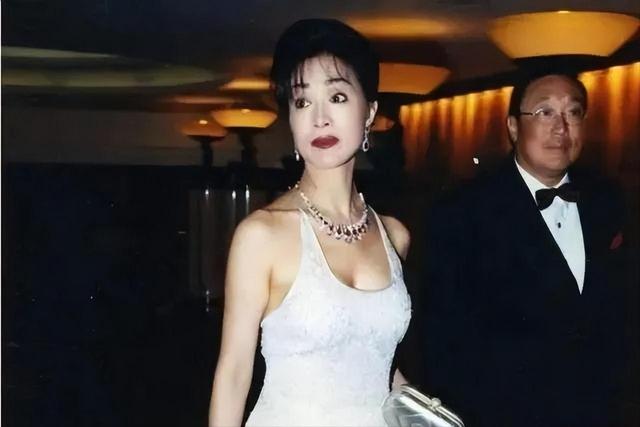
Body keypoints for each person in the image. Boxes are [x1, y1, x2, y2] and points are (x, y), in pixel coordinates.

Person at [209, 19, 411, 427]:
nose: (319, 118)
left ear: (370, 112)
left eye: (337, 97)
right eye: (302, 102)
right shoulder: (262, 235)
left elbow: (373, 363)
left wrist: (420, 409)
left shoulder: (394, 234)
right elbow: (233, 376)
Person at [415, 69, 629, 427]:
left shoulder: (608, 199)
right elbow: (441, 340)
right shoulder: (461, 211)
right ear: (513, 127)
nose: (561, 127)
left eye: (573, 112)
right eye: (545, 112)